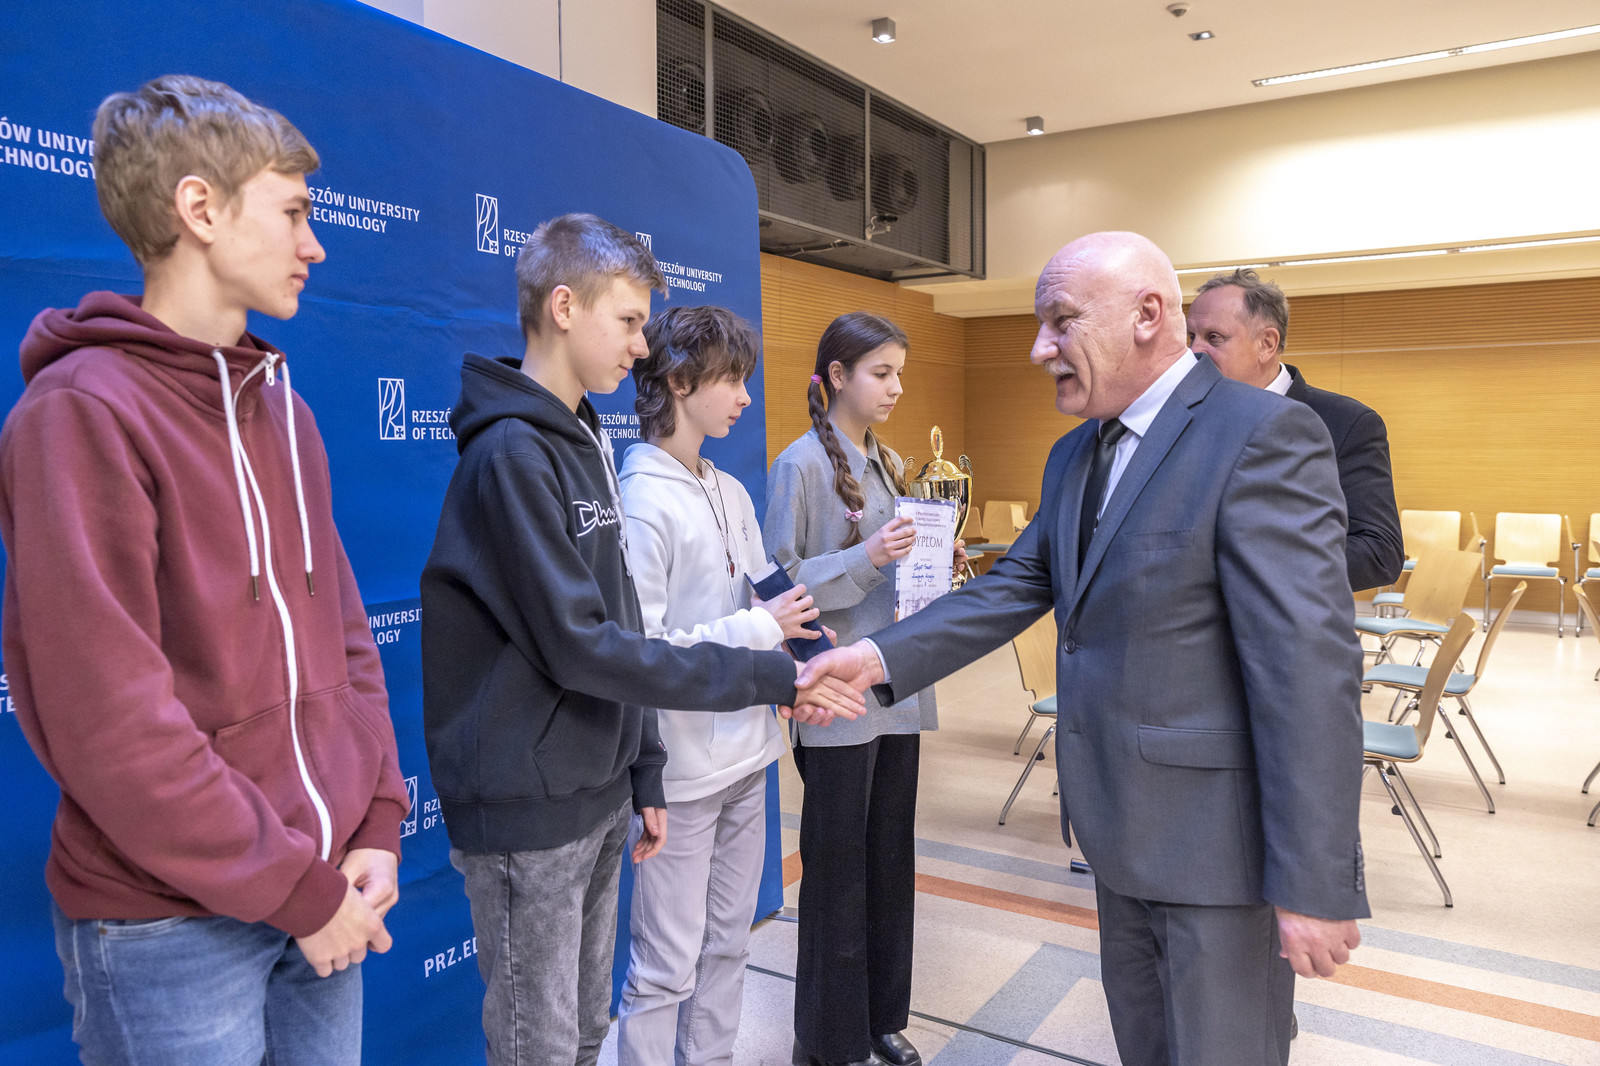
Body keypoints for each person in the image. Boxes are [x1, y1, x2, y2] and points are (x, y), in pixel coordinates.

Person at [800, 233, 1369, 1066]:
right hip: (1115, 835)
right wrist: (877, 658)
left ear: (1147, 315)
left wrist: (1314, 880)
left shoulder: (1263, 434)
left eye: (1061, 322)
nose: (1040, 349)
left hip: (1221, 854)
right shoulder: (1075, 453)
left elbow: (1310, 669)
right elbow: (1013, 586)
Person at [0, 75, 408, 1065]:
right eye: (294, 213)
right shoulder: (81, 412)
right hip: (170, 930)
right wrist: (299, 890)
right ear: (200, 209)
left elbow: (347, 639)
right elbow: (112, 724)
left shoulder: (286, 413)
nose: (315, 244)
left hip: (323, 891)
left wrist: (377, 821)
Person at [419, 214, 863, 1066]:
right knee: (541, 1046)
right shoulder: (513, 454)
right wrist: (775, 676)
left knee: (585, 1033)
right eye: (627, 321)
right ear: (563, 308)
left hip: (596, 788)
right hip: (532, 805)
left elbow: (618, 619)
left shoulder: (585, 437)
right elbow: (586, 644)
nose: (639, 345)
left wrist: (642, 765)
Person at [615, 304, 823, 1066]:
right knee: (666, 965)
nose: (743, 397)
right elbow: (643, 651)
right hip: (679, 771)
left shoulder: (730, 489)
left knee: (730, 943)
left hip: (748, 753)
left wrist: (808, 656)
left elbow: (767, 594)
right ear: (678, 381)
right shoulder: (640, 500)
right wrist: (763, 628)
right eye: (731, 380)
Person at [765, 311, 963, 1066]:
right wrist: (869, 557)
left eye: (900, 373)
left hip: (897, 692)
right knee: (837, 876)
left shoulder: (890, 462)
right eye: (882, 373)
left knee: (888, 867)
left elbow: (901, 566)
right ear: (838, 376)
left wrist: (931, 565)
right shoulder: (798, 467)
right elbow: (777, 586)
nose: (896, 388)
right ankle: (826, 1038)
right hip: (838, 700)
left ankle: (881, 1016)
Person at [1186, 268, 1403, 592]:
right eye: (1191, 337)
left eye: (1214, 337)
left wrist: (1255, 568)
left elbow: (1379, 551)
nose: (1194, 351)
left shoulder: (1345, 422)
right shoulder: (1184, 417)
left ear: (1267, 344)